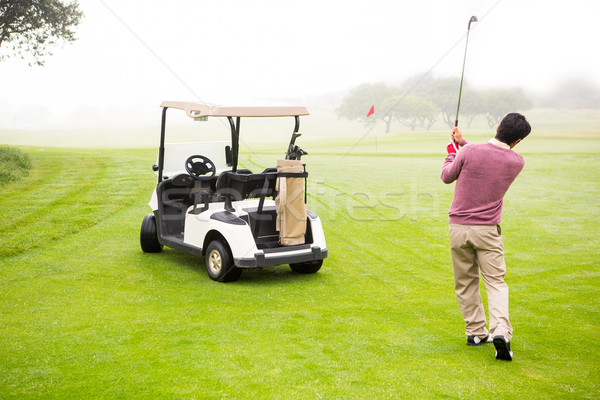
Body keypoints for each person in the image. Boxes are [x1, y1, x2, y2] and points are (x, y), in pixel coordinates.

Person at [440, 113, 531, 361]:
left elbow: (447, 175)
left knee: (465, 282)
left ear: (498, 126)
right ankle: (501, 331)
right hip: (488, 231)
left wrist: (452, 151)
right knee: (495, 282)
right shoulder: (517, 161)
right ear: (518, 139)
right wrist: (463, 144)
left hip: (458, 228)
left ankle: (476, 333)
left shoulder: (469, 153)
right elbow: (488, 157)